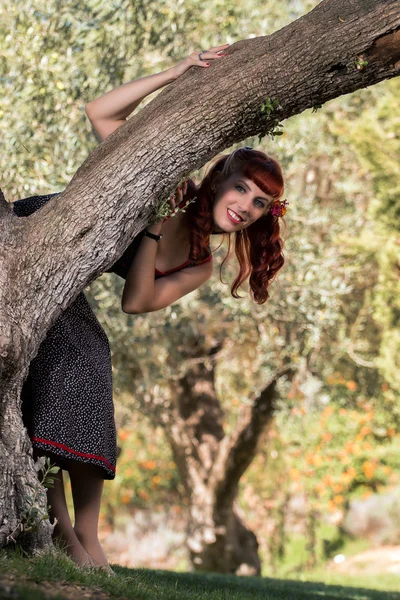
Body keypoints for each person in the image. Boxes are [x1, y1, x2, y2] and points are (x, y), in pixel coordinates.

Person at [13, 44, 287, 570]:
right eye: (242, 190)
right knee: (85, 354)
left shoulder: (202, 261)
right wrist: (178, 71)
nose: (245, 208)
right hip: (34, 240)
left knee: (89, 355)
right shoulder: (171, 183)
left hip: (65, 284)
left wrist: (154, 229)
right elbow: (100, 112)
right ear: (220, 178)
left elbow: (136, 301)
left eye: (259, 204)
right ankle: (65, 527)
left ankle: (86, 535)